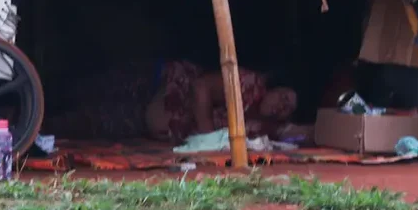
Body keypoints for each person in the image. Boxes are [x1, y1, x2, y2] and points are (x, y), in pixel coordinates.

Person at [44, 60, 297, 144]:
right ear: (274, 86)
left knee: (84, 124)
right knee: (82, 91)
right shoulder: (249, 85)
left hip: (151, 120)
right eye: (284, 97)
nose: (281, 106)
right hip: (154, 87)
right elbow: (201, 87)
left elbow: (298, 134)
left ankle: (22, 121)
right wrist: (208, 137)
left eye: (287, 110)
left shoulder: (259, 124)